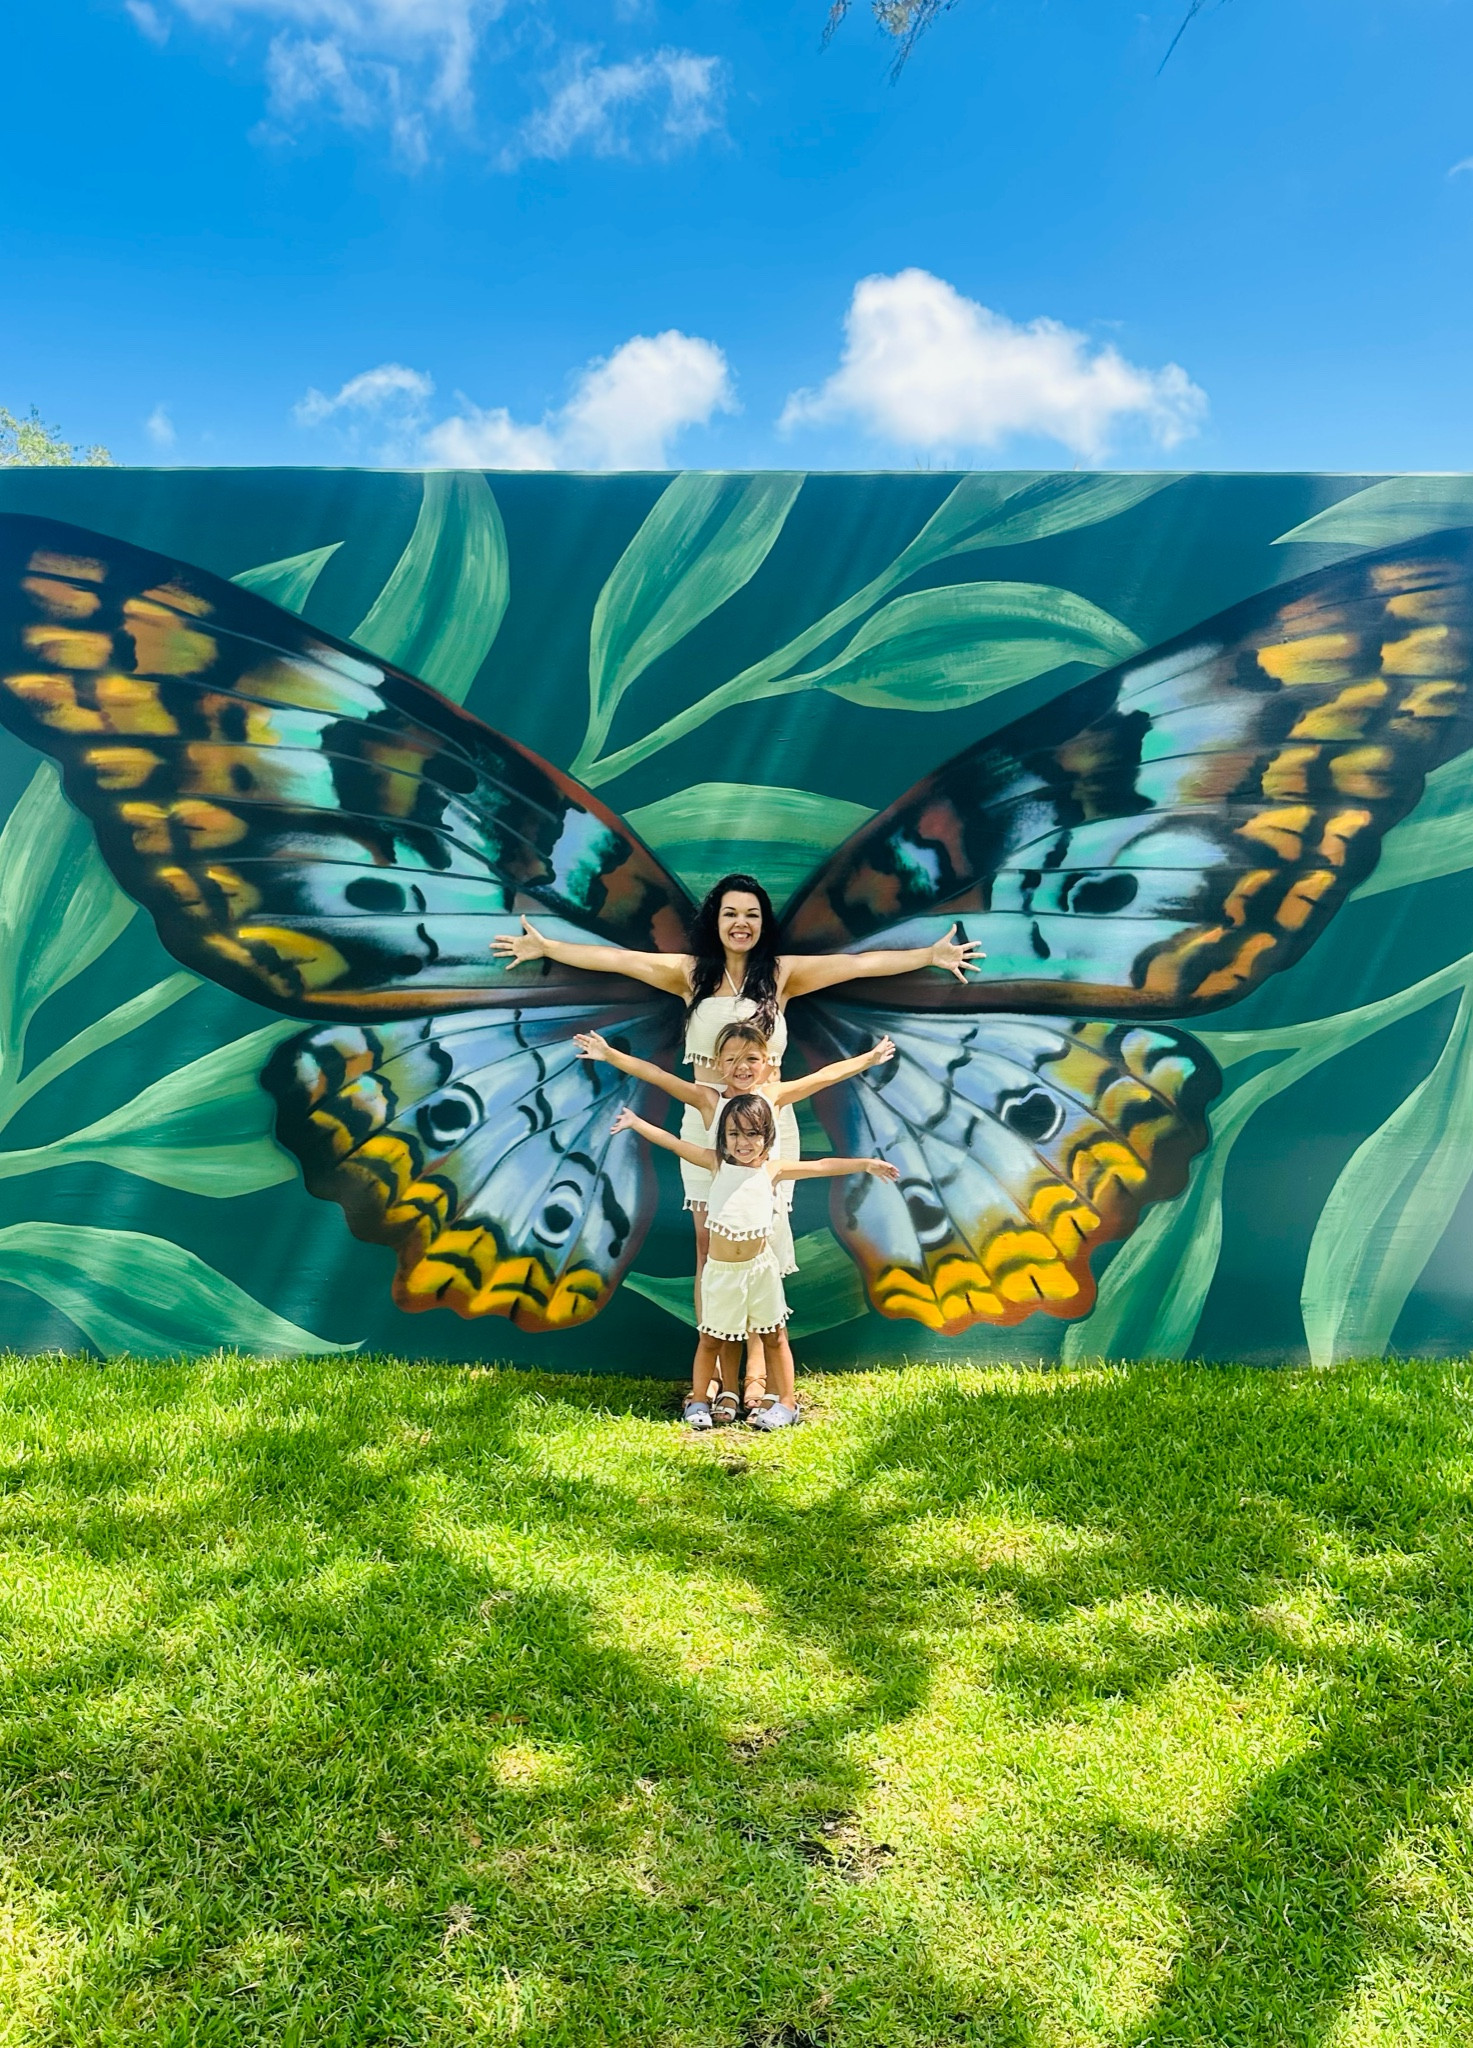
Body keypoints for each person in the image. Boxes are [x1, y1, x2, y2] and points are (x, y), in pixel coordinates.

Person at [493, 870, 980, 1374]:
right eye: (731, 914)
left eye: (751, 914)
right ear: (716, 921)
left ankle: (757, 1372)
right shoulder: (692, 974)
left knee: (759, 1246)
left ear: (763, 922)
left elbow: (856, 966)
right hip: (705, 1122)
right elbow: (622, 961)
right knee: (712, 1249)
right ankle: (718, 1375)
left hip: (768, 1125)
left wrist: (929, 956)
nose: (741, 923)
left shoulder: (781, 974)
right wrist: (546, 947)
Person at [575, 1018, 896, 1419]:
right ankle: (723, 1391)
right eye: (732, 1059)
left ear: (767, 1061)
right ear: (718, 1063)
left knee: (765, 1305)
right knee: (719, 1312)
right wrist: (610, 1056)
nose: (742, 1067)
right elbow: (657, 1077)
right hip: (723, 1193)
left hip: (762, 1198)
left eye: (752, 1058)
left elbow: (823, 1078)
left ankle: (766, 1390)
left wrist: (869, 1058)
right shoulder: (709, 1100)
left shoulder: (774, 1095)